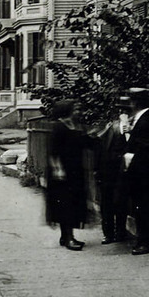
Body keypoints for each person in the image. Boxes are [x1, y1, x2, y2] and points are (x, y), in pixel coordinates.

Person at [123, 87, 149, 255]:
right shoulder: (142, 118)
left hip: (144, 172)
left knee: (144, 207)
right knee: (141, 207)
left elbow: (146, 146)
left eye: (130, 100)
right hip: (140, 172)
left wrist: (130, 157)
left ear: (135, 102)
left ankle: (147, 241)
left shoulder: (148, 119)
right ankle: (144, 239)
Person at [46, 99, 89, 250]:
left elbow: (86, 143)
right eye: (77, 110)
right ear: (68, 110)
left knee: (74, 202)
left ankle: (65, 237)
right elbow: (53, 151)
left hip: (75, 170)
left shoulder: (76, 126)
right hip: (62, 172)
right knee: (66, 204)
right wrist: (58, 169)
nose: (80, 112)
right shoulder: (59, 126)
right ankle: (69, 238)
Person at [91, 96, 131, 244]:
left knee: (121, 203)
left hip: (123, 171)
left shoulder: (133, 127)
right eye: (123, 110)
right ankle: (108, 233)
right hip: (108, 170)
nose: (125, 113)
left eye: (127, 110)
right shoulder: (109, 128)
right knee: (107, 203)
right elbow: (99, 150)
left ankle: (121, 232)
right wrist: (97, 169)